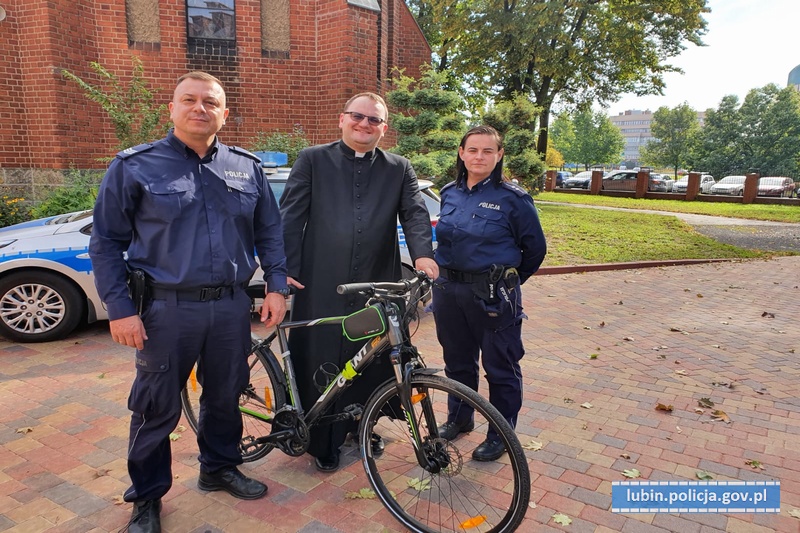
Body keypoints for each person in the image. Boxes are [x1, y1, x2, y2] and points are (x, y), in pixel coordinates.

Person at [89, 71, 288, 533]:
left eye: (210, 102)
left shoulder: (246, 167)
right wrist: (120, 309)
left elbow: (269, 232)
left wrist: (276, 285)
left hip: (230, 307)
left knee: (225, 395)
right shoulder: (135, 166)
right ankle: (147, 497)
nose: (200, 109)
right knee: (156, 406)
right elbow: (105, 243)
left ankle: (218, 467)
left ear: (224, 113)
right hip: (165, 311)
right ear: (172, 108)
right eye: (190, 100)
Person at [279, 92, 439, 472]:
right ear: (342, 119)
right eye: (357, 116)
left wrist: (423, 254)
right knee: (321, 357)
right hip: (321, 280)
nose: (364, 124)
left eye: (374, 120)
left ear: (384, 128)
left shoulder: (398, 168)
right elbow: (290, 216)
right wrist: (283, 267)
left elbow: (415, 214)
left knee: (371, 361)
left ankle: (361, 427)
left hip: (376, 282)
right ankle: (321, 440)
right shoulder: (313, 160)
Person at [432, 125, 547, 461]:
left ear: (499, 155)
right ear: (461, 153)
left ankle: (500, 434)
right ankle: (459, 418)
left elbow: (535, 249)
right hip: (449, 291)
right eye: (472, 150)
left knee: (500, 367)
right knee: (457, 362)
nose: (479, 157)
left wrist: (508, 281)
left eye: (487, 151)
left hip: (493, 296)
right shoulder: (449, 192)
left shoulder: (514, 200)